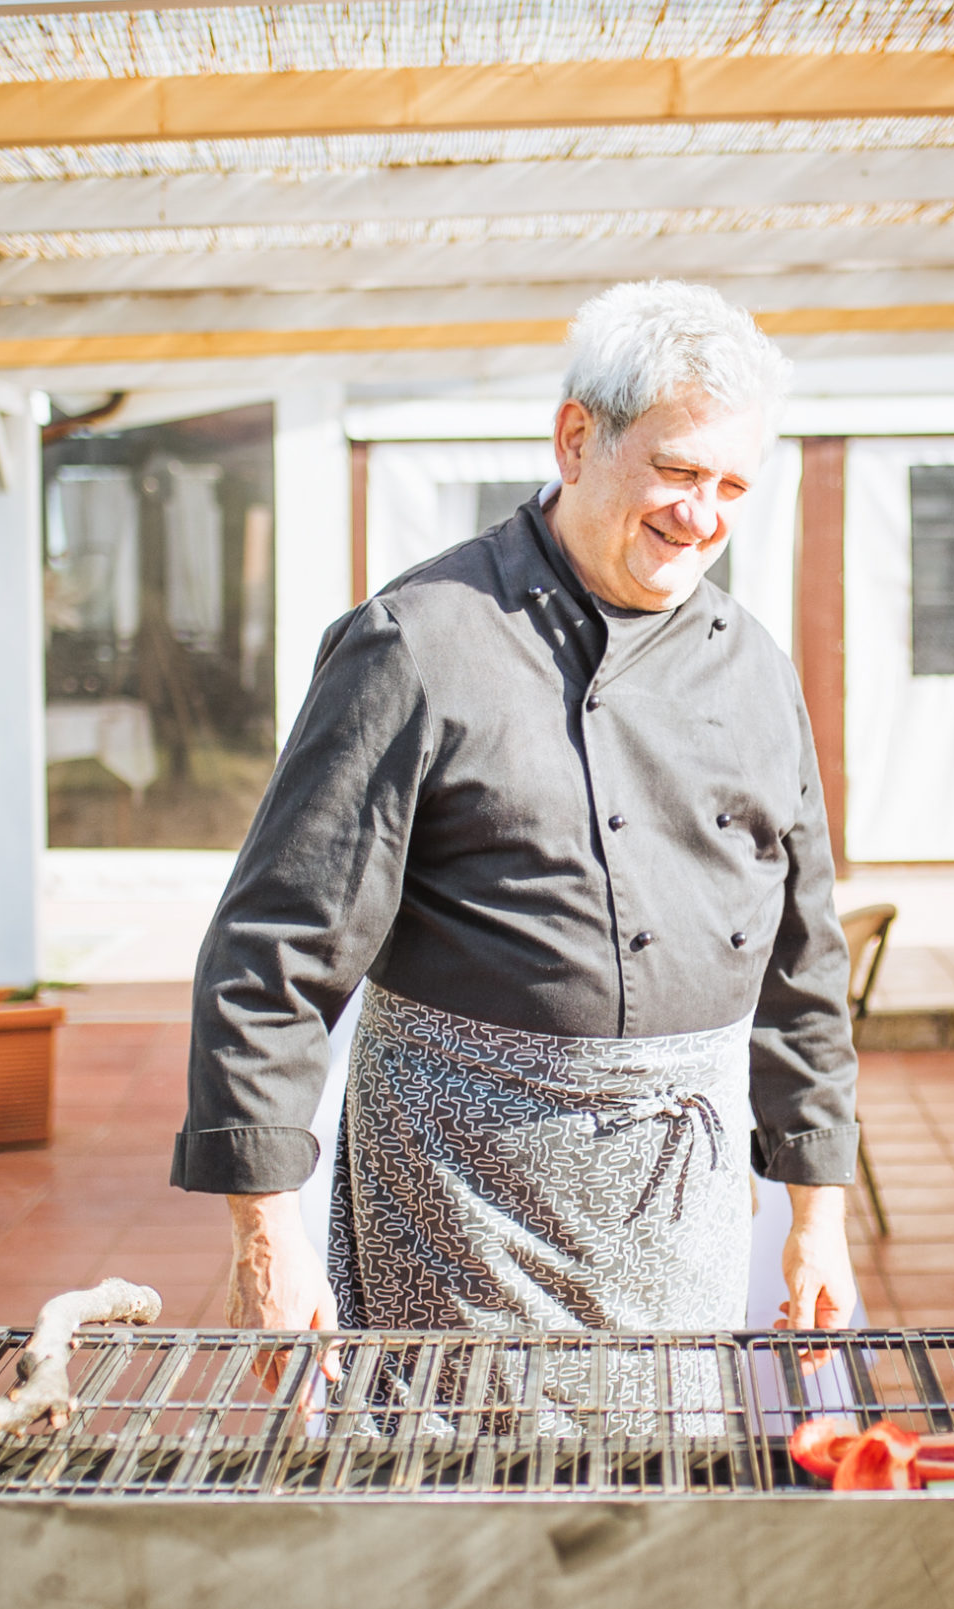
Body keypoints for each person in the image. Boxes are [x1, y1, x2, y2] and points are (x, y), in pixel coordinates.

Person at [172, 280, 859, 1370]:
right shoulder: (419, 641)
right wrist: (269, 1236)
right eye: (678, 471)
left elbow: (802, 954)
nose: (703, 515)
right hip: (459, 1194)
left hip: (681, 1199)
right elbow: (273, 953)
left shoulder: (754, 666)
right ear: (576, 438)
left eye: (732, 484)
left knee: (657, 1484)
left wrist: (817, 1220)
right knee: (461, 1502)